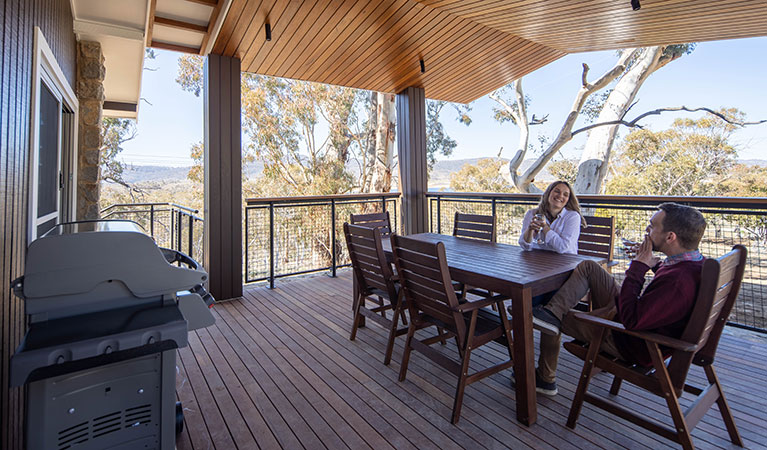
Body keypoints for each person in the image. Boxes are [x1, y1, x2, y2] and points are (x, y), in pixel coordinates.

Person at [521, 202, 707, 397]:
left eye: (652, 226)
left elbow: (631, 320)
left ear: (670, 237)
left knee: (553, 318)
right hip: (632, 318)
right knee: (589, 267)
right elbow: (663, 297)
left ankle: (545, 377)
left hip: (627, 339)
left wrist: (638, 267)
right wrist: (653, 264)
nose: (647, 229)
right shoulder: (694, 263)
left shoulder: (677, 282)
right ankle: (552, 312)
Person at [519, 180, 587, 255]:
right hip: (538, 261)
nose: (560, 196)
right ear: (548, 193)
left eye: (565, 194)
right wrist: (530, 230)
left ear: (568, 200)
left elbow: (563, 248)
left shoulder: (572, 217)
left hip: (566, 262)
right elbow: (524, 246)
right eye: (557, 191)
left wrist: (545, 227)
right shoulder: (532, 214)